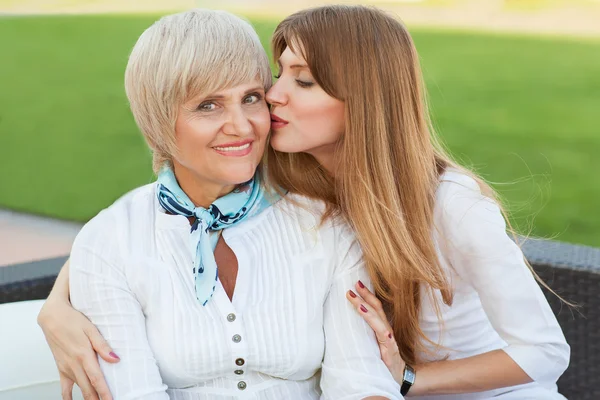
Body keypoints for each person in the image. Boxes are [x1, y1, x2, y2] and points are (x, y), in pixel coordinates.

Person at [39, 4, 570, 400]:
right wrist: (58, 303)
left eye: (303, 81)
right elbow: (154, 225)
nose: (270, 99)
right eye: (277, 76)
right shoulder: (292, 173)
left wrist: (410, 379)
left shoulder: (447, 206)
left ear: (361, 100)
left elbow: (545, 352)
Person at [37, 8, 401, 400]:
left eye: (251, 98)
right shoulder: (110, 240)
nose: (242, 126)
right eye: (208, 105)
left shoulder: (325, 224)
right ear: (158, 119)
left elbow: (360, 382)